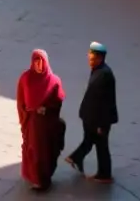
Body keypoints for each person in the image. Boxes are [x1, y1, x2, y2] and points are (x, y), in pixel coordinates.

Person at [66, 42, 118, 183]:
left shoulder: (104, 75)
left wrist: (102, 125)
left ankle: (103, 173)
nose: (90, 61)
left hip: (99, 120)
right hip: (90, 117)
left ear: (100, 58)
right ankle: (78, 160)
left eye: (92, 58)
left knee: (100, 145)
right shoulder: (97, 70)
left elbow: (106, 102)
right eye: (89, 57)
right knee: (91, 141)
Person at [17, 49, 66, 191]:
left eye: (41, 61)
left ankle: (45, 178)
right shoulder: (26, 78)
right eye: (36, 61)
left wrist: (46, 109)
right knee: (34, 151)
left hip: (47, 124)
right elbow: (21, 100)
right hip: (32, 123)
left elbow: (58, 101)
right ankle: (37, 179)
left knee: (47, 152)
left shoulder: (54, 81)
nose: (39, 64)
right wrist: (25, 116)